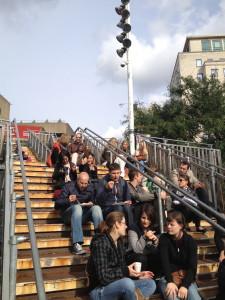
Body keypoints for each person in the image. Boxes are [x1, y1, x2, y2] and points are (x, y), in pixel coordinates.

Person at [87, 211, 156, 300]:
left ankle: (133, 296)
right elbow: (103, 277)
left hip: (117, 284)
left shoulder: (119, 242)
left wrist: (137, 275)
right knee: (127, 284)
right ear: (117, 224)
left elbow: (121, 270)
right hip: (99, 290)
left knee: (150, 284)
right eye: (124, 224)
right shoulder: (100, 243)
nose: (126, 226)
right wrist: (126, 271)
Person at [55, 172, 103, 255]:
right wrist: (68, 200)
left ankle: (101, 240)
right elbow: (57, 204)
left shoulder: (91, 188)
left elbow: (97, 200)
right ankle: (77, 244)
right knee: (77, 207)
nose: (83, 185)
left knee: (97, 208)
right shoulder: (68, 186)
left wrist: (92, 203)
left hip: (83, 215)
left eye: (85, 183)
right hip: (68, 215)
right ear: (77, 180)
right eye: (81, 183)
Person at [158, 210, 201, 300]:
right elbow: (164, 262)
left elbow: (192, 267)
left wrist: (185, 285)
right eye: (167, 224)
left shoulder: (190, 241)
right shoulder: (164, 239)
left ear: (181, 226)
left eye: (172, 225)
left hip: (185, 278)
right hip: (167, 277)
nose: (168, 227)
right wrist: (170, 281)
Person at [127, 203, 160, 276]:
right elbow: (136, 250)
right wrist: (144, 237)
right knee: (141, 258)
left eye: (149, 219)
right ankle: (138, 278)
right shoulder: (133, 228)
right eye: (143, 218)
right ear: (139, 217)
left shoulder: (154, 227)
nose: (146, 221)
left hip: (147, 254)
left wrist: (155, 241)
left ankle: (155, 277)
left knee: (157, 254)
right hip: (133, 256)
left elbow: (155, 248)